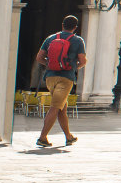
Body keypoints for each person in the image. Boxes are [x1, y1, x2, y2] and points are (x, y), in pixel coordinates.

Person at [35, 15, 86, 148]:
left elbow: (39, 57)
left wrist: (50, 64)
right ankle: (42, 137)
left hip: (50, 77)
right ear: (75, 27)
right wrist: (74, 67)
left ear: (62, 25)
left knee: (62, 108)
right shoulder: (78, 40)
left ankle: (68, 137)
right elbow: (83, 60)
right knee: (55, 107)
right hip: (66, 78)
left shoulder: (51, 38)